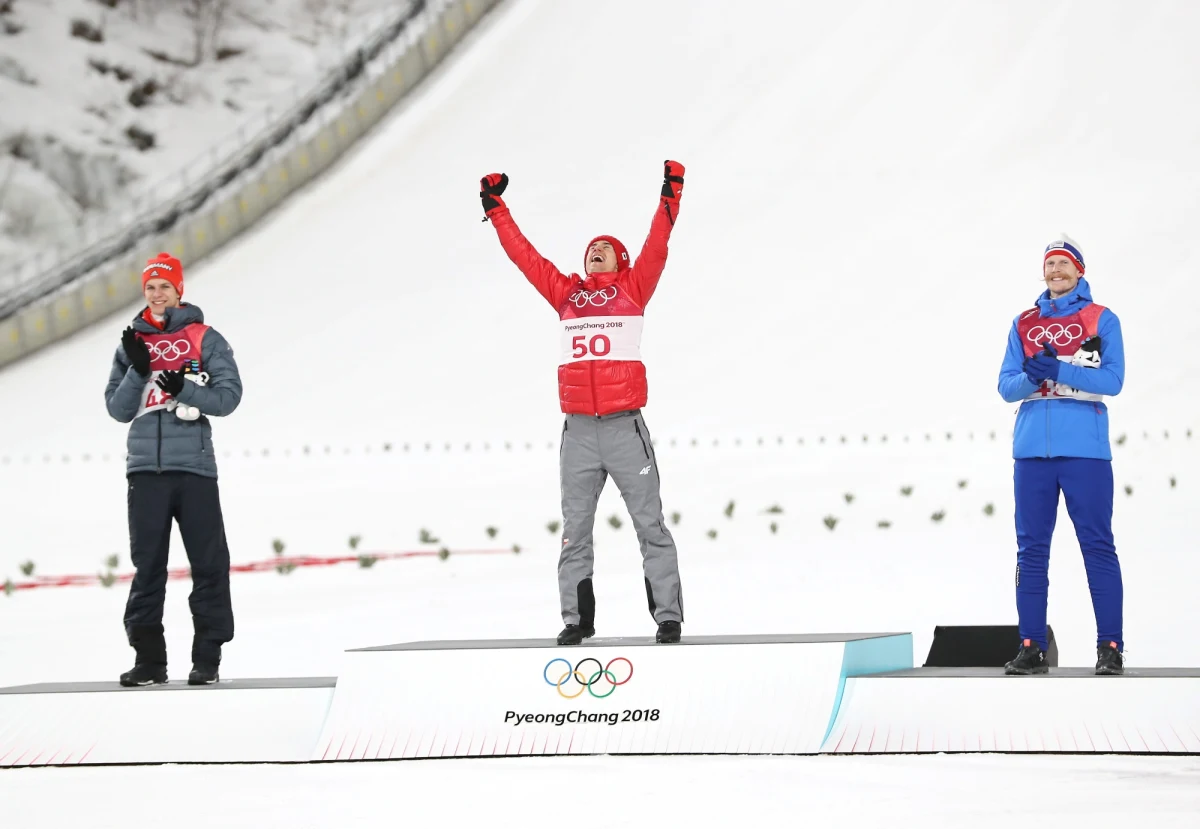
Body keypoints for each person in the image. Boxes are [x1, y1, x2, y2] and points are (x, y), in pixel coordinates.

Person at [480, 161, 687, 646]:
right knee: (575, 531)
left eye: (605, 250)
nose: (595, 252)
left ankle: (669, 617)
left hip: (623, 429)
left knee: (650, 525)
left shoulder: (635, 289)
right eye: (591, 249)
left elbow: (658, 242)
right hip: (578, 433)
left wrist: (671, 191)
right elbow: (525, 257)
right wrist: (497, 208)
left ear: (621, 262)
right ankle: (577, 620)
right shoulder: (567, 295)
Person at [104, 253, 243, 686]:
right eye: (150, 287)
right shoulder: (131, 341)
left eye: (165, 286)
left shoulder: (205, 337)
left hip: (195, 468)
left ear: (179, 291)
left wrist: (184, 388)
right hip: (145, 471)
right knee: (148, 567)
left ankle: (208, 658)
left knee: (208, 563)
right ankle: (149, 660)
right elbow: (117, 409)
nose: (157, 294)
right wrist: (138, 371)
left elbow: (228, 398)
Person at [996, 234, 1125, 676]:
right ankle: (1031, 647)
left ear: (1079, 271)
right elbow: (1005, 387)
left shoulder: (1101, 319)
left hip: (1084, 451)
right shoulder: (1023, 323)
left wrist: (1060, 370)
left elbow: (1112, 381)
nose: (1056, 271)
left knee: (1097, 546)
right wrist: (1033, 378)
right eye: (1050, 264)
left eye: (1064, 264)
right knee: (1030, 551)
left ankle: (1110, 647)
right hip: (1031, 451)